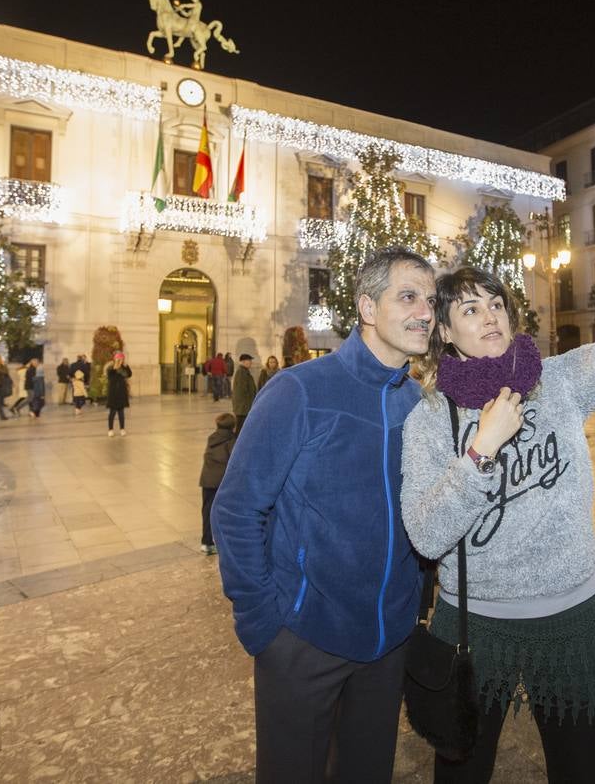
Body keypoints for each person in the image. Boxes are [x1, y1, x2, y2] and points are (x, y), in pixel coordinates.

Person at [401, 238, 595, 783]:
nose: (490, 316)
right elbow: (426, 535)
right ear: (444, 332)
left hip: (571, 618)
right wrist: (480, 452)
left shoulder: (559, 381)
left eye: (496, 303)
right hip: (473, 626)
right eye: (470, 309)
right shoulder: (428, 420)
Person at [212, 246, 436, 784]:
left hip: (388, 643)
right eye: (408, 297)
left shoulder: (418, 404)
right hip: (303, 639)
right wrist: (265, 625)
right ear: (367, 306)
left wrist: (411, 604)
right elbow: (237, 509)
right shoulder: (299, 390)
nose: (426, 312)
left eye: (430, 300)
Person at [198, 413, 237, 556]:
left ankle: (206, 543)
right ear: (233, 427)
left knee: (207, 511)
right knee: (227, 512)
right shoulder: (232, 441)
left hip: (207, 481)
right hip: (221, 482)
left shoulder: (212, 438)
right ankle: (227, 542)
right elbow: (234, 463)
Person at [105, 351, 132, 436]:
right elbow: (110, 375)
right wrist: (116, 366)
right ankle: (110, 430)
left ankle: (122, 429)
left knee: (121, 412)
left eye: (121, 359)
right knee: (112, 412)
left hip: (121, 392)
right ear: (114, 358)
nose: (120, 360)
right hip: (113, 393)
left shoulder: (124, 368)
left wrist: (126, 366)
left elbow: (129, 374)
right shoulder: (110, 367)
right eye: (118, 358)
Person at [231, 353, 257, 432]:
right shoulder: (241, 372)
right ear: (242, 362)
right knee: (240, 429)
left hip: (244, 406)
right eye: (249, 360)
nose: (251, 362)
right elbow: (241, 390)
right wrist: (248, 405)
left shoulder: (244, 371)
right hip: (243, 408)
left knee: (242, 428)